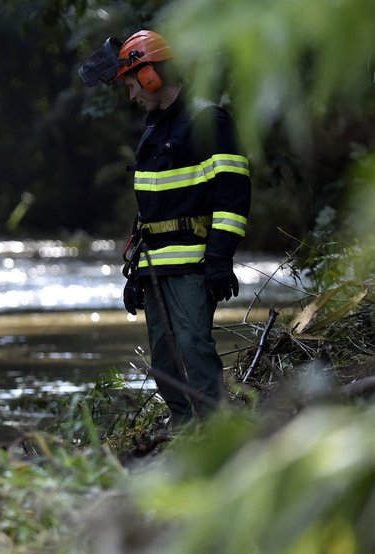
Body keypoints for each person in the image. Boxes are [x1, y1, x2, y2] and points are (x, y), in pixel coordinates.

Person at [79, 30, 251, 426]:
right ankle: (183, 429)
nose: (131, 95)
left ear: (150, 75)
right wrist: (137, 273)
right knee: (163, 357)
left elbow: (232, 194)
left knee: (193, 345)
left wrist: (220, 258)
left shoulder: (209, 120)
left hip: (193, 263)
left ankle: (215, 429)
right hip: (155, 265)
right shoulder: (154, 132)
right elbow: (150, 210)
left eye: (130, 84)